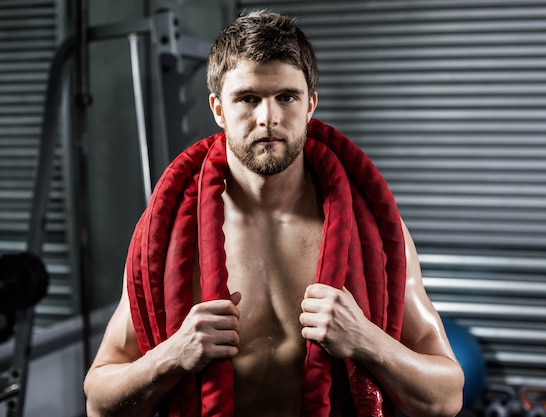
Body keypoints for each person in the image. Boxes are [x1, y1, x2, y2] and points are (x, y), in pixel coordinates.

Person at [83, 10, 464, 417]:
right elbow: (99, 404)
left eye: (287, 96)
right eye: (248, 98)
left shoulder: (371, 230)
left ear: (310, 104)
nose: (269, 118)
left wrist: (367, 340)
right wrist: (172, 355)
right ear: (217, 109)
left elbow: (445, 399)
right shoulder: (168, 235)